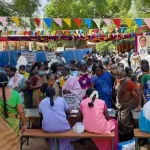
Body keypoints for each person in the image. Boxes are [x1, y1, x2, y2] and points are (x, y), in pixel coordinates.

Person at [115, 68, 141, 142]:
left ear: (124, 75)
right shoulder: (117, 81)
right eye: (117, 75)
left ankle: (129, 139)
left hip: (128, 105)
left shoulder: (128, 82)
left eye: (120, 75)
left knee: (126, 123)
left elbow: (138, 92)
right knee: (120, 122)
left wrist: (139, 105)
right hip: (120, 105)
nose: (119, 76)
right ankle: (123, 139)